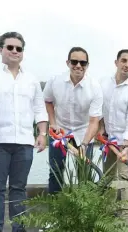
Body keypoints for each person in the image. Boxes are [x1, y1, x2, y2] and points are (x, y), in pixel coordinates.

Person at [0, 32, 48, 232]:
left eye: (18, 49)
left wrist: (42, 133)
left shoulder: (31, 79)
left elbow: (39, 108)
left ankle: (19, 231)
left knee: (19, 188)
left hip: (24, 142)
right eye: (9, 47)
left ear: (23, 52)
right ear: (0, 49)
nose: (14, 51)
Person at [43, 46, 103, 195]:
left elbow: (94, 121)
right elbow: (47, 101)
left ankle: (83, 214)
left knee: (84, 174)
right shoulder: (55, 81)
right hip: (59, 130)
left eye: (83, 63)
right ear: (68, 62)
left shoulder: (95, 87)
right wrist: (53, 123)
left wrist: (84, 144)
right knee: (56, 171)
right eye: (74, 62)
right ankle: (56, 210)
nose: (78, 66)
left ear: (87, 65)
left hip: (83, 132)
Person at [99, 49, 128, 219]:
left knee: (126, 177)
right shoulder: (103, 83)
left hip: (126, 140)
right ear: (116, 62)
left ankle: (126, 216)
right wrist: (101, 128)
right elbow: (99, 109)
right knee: (108, 176)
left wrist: (125, 145)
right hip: (107, 140)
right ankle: (107, 214)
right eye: (123, 60)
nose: (126, 65)